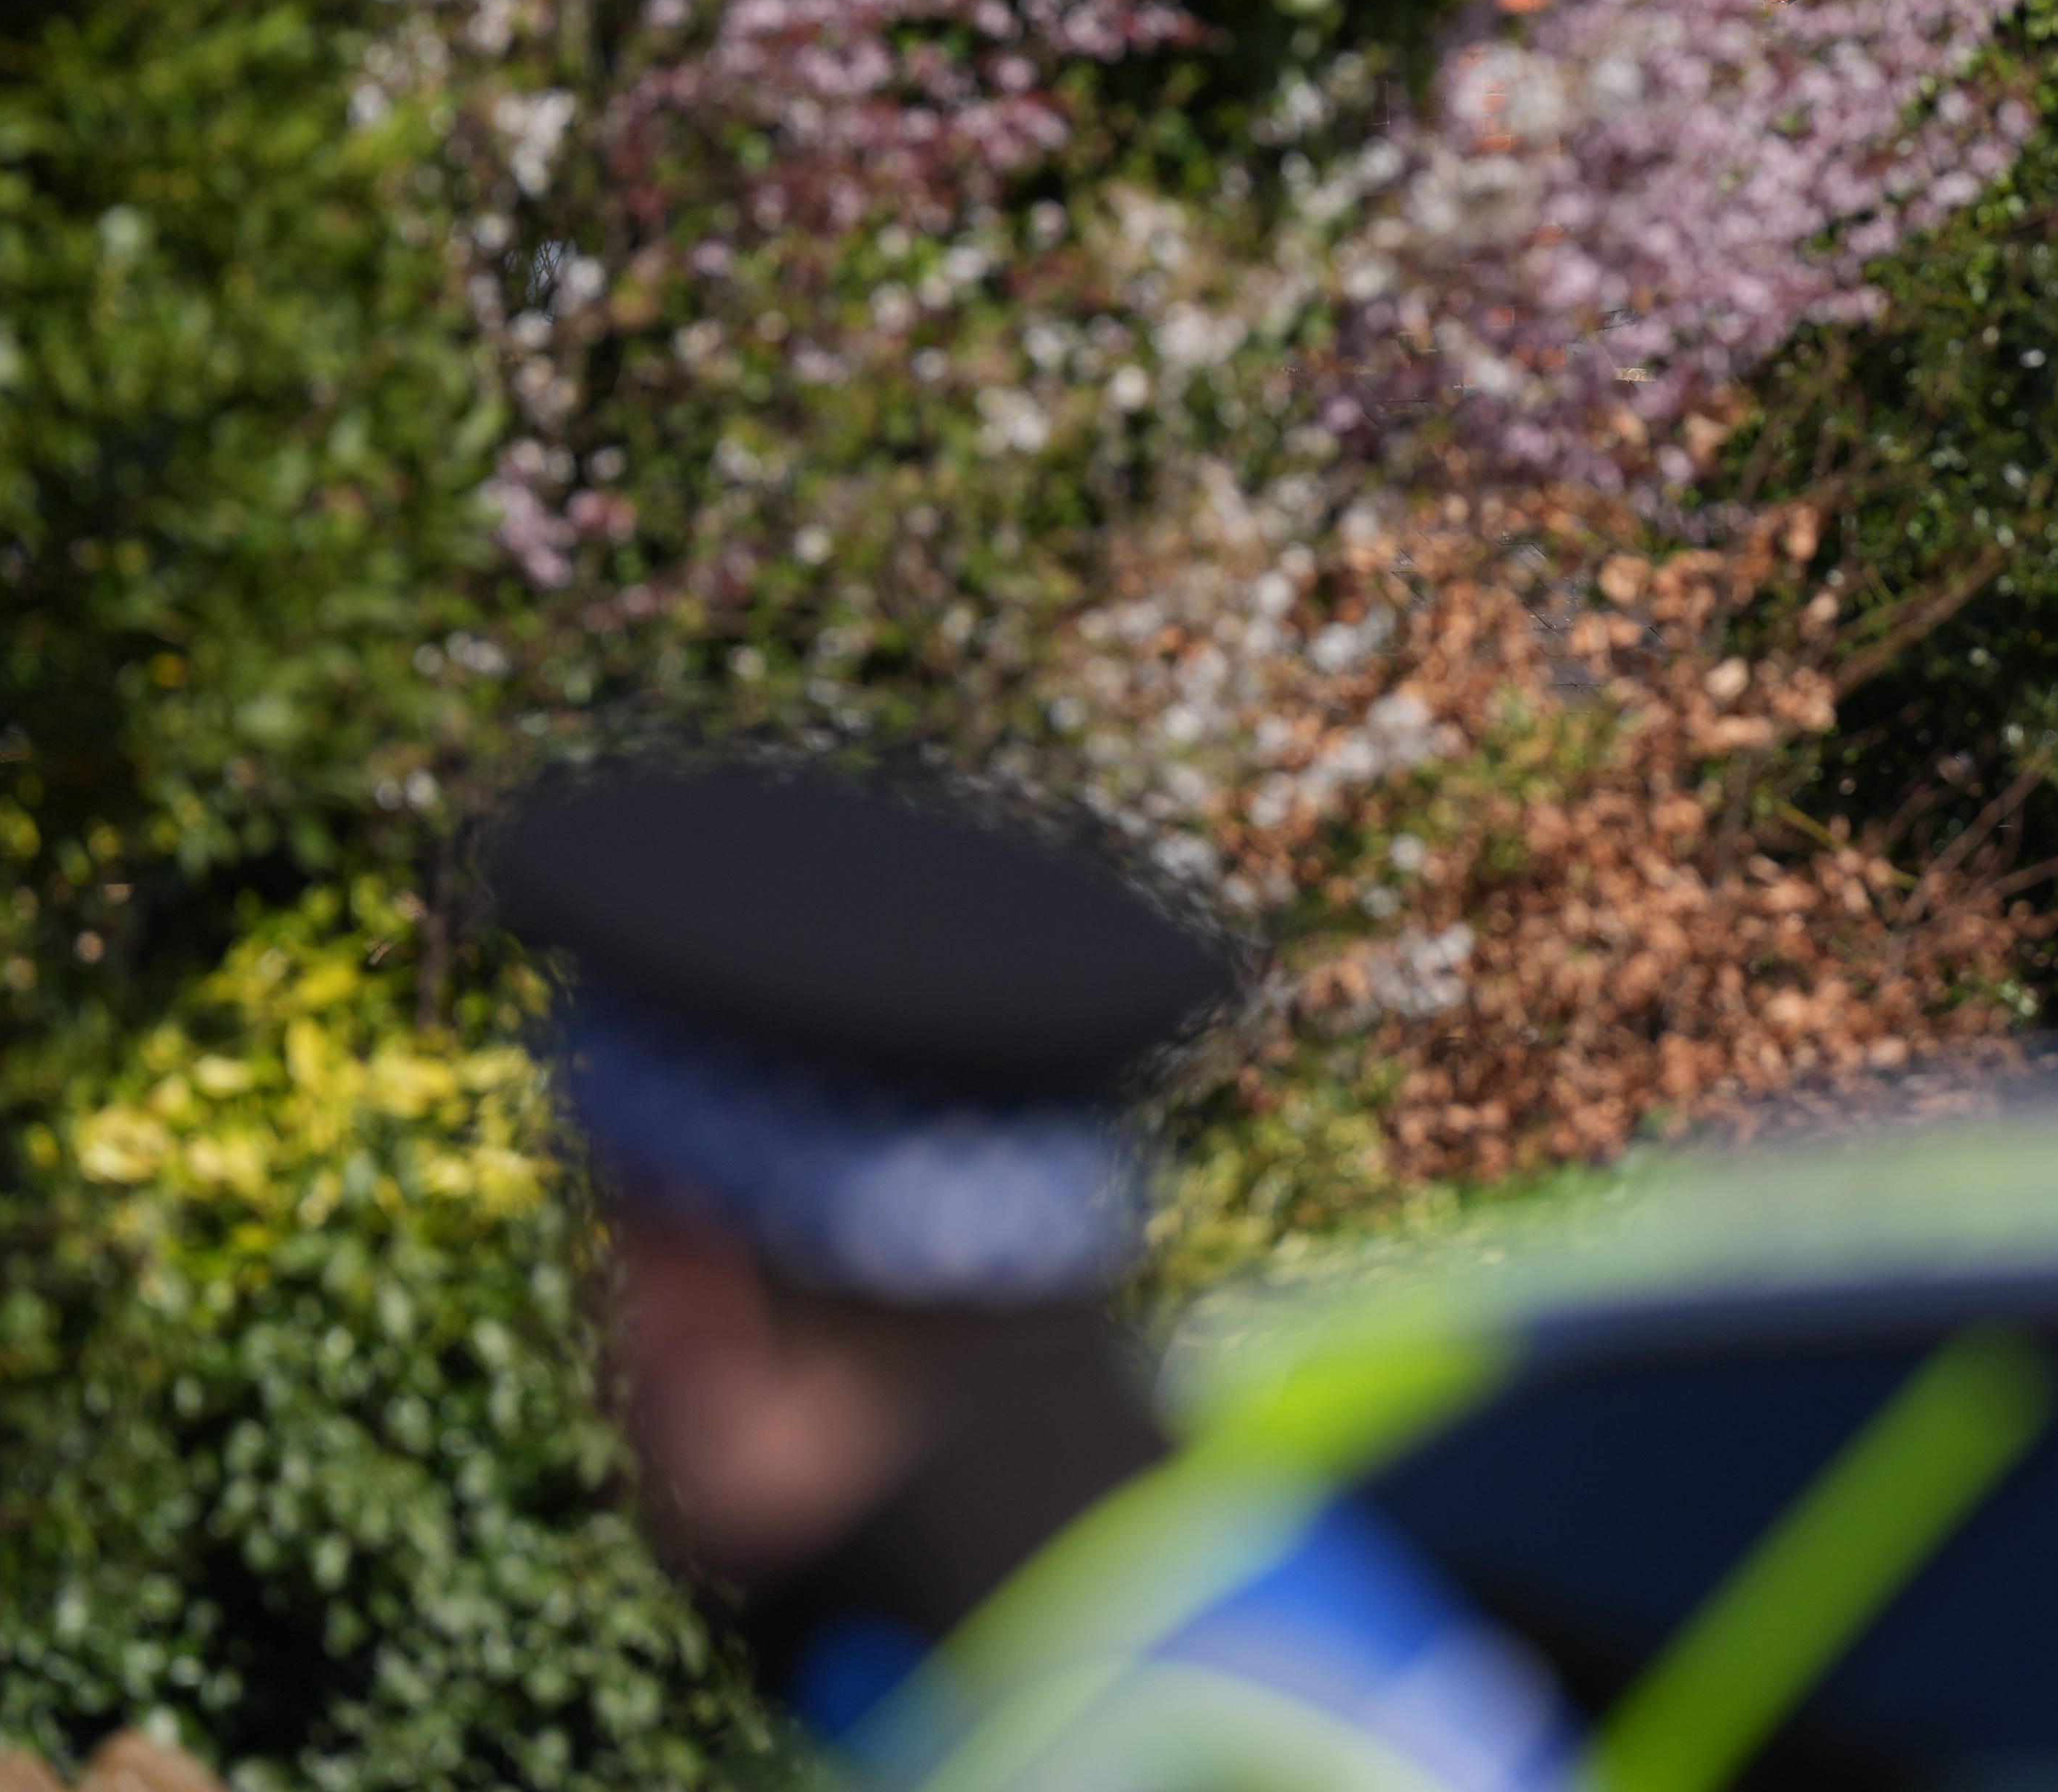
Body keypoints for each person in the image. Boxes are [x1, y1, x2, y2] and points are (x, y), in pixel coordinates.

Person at [487, 756, 1574, 1792]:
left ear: (698, 1288)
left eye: (608, 1260)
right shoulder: (1177, 1653)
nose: (599, 1369)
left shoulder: (1116, 1745)